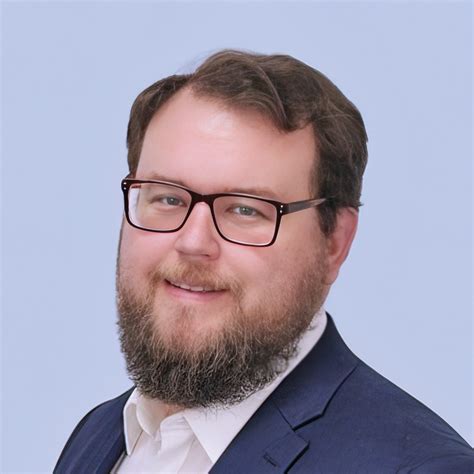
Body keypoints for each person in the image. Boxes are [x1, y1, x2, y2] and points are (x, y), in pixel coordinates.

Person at [54, 49, 473, 473]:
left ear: (335, 242)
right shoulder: (100, 434)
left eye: (245, 209)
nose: (193, 242)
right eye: (167, 198)